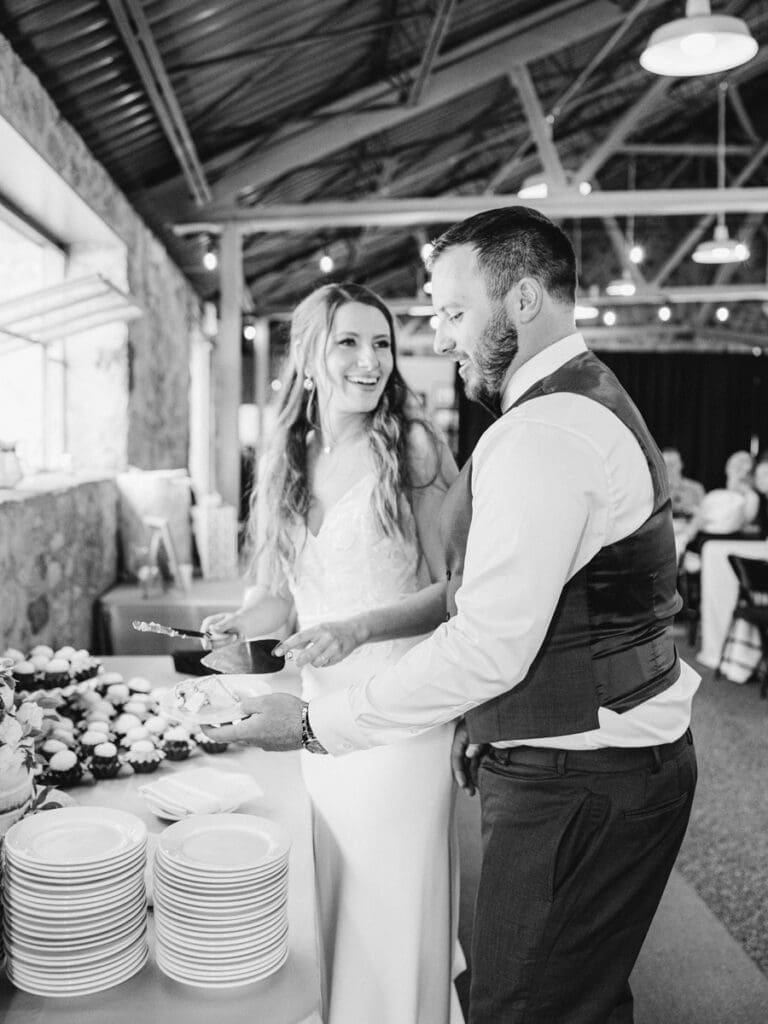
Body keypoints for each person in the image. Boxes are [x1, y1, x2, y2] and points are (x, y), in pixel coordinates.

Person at [206, 208, 700, 1024]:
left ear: (525, 299)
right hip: (567, 755)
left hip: (574, 769)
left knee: (526, 1000)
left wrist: (315, 714)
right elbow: (489, 603)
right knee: (558, 996)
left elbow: (479, 637)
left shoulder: (540, 432)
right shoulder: (559, 412)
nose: (439, 340)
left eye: (453, 314)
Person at [201, 282, 463, 1024]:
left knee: (386, 906)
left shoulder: (411, 447)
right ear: (310, 356)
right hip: (315, 716)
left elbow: (455, 592)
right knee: (330, 895)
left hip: (399, 719)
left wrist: (357, 629)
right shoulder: (287, 456)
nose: (369, 360)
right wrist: (242, 622)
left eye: (381, 343)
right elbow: (284, 595)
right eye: (349, 341)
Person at [662, 447, 705, 519]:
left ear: (681, 464)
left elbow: (703, 514)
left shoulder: (696, 488)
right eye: (667, 464)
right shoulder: (657, 492)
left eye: (673, 464)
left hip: (689, 526)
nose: (670, 468)